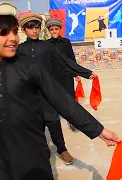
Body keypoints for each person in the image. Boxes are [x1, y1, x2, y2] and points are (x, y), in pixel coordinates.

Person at [0, 2, 119, 180]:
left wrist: (98, 130)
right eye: (3, 33)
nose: (13, 38)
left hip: (35, 161)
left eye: (14, 32)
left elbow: (62, 100)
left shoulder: (29, 67)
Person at [17, 13, 96, 164]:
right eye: (30, 28)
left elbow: (64, 61)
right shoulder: (20, 50)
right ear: (24, 30)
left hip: (47, 92)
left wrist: (85, 73)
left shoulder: (46, 46)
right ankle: (42, 147)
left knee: (53, 121)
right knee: (35, 123)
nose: (34, 30)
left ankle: (62, 149)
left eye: (37, 27)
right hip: (29, 94)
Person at [46, 17, 81, 132]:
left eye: (56, 28)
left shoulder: (66, 42)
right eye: (52, 29)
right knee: (54, 98)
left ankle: (72, 121)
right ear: (49, 31)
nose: (54, 31)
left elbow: (71, 58)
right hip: (53, 76)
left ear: (60, 29)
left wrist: (76, 73)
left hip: (66, 75)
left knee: (70, 98)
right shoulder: (46, 44)